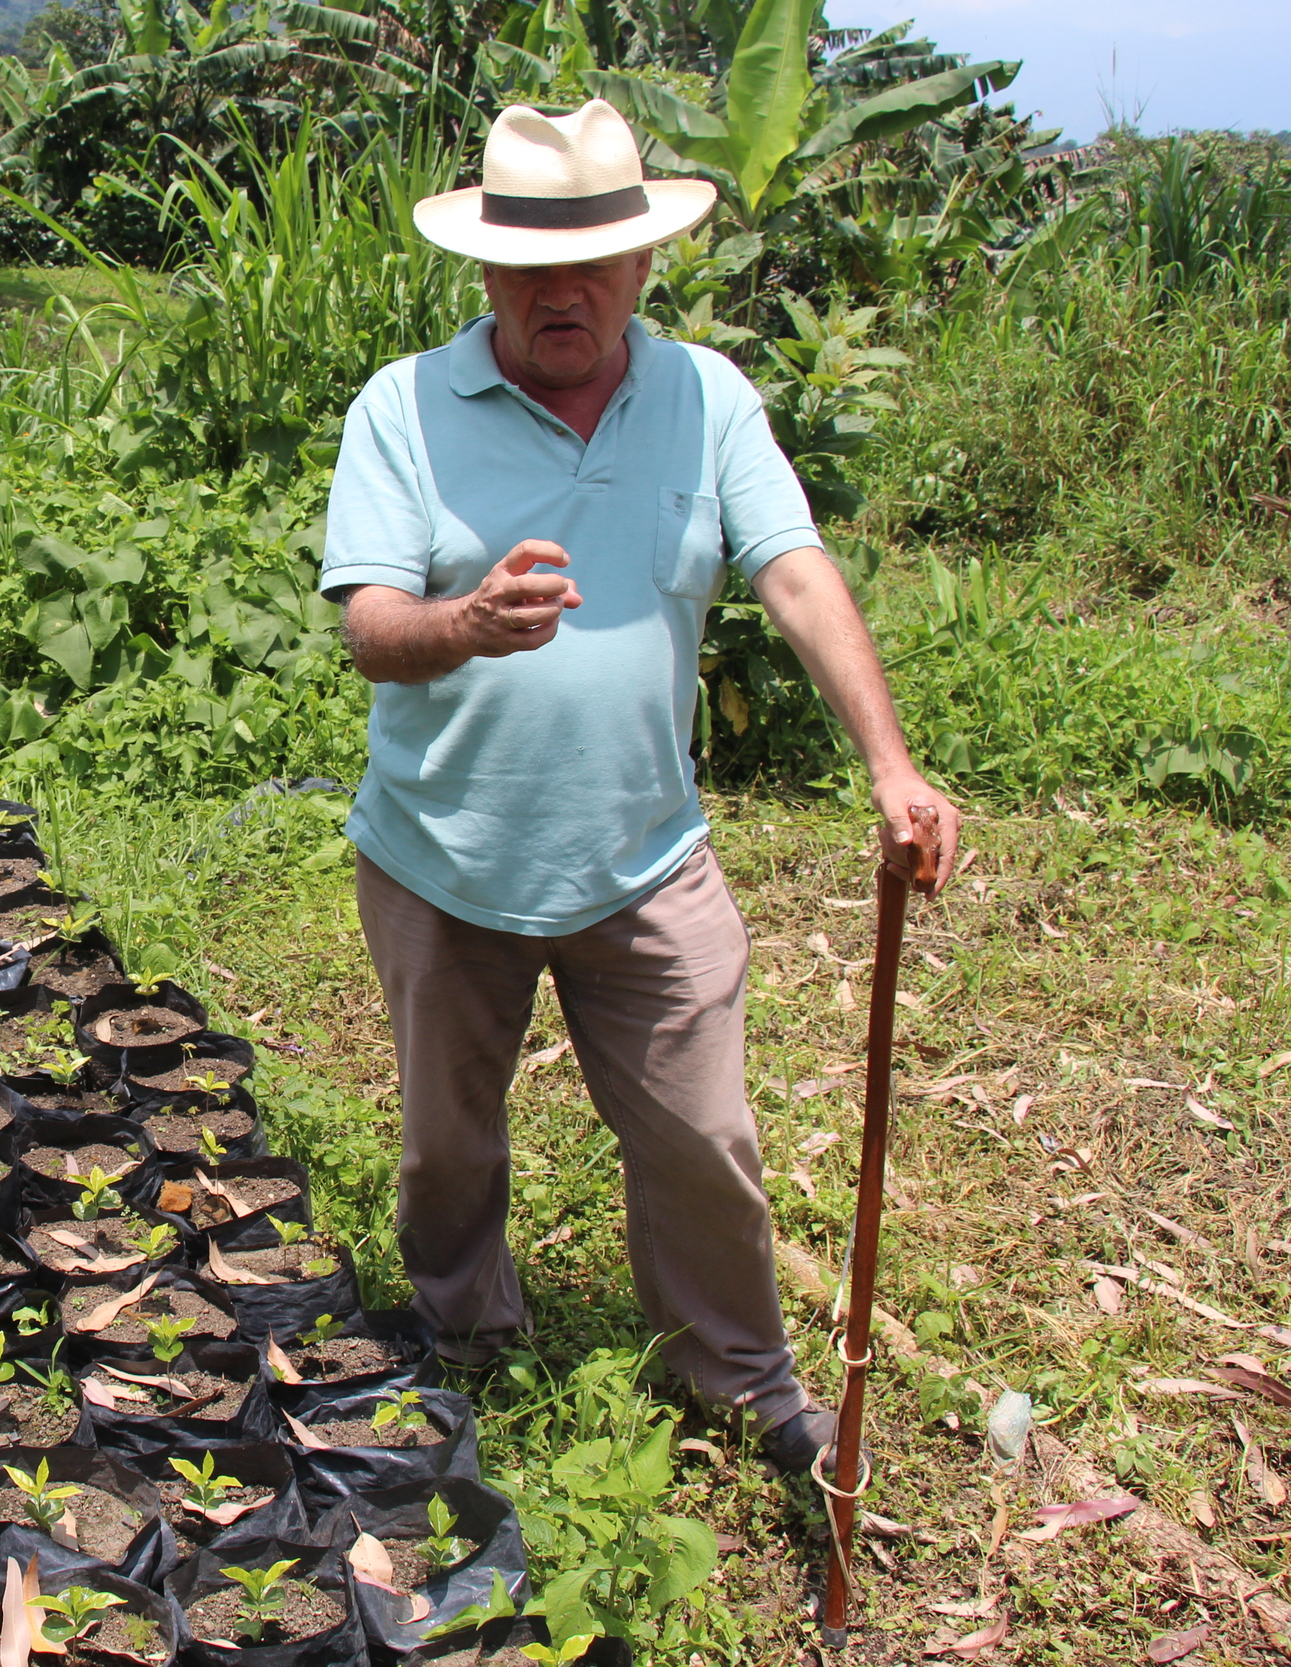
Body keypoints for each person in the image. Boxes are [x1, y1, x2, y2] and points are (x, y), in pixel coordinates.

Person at [318, 97, 962, 1474]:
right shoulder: (404, 408)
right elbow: (371, 627)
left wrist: (892, 765)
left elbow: (792, 570)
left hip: (642, 856)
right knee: (445, 1150)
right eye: (531, 264)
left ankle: (734, 1379)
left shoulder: (706, 397)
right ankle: (464, 1343)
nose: (565, 291)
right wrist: (463, 625)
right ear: (482, 270)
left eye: (595, 259)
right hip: (445, 852)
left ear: (645, 262)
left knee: (704, 1142)